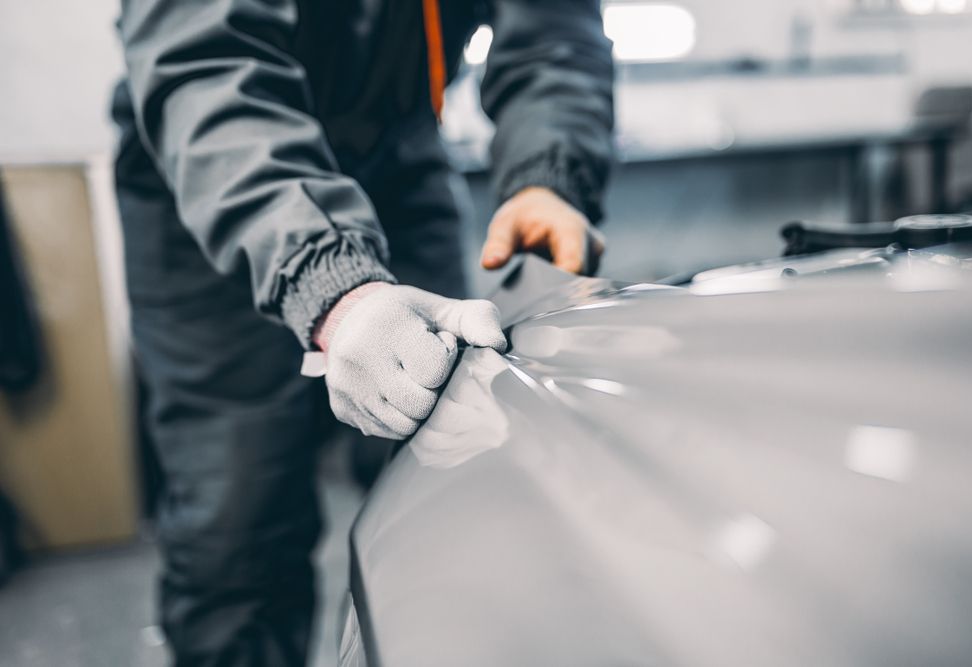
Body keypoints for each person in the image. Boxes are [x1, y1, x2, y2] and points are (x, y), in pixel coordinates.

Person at [112, 0, 614, 663]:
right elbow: (203, 60)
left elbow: (554, 28)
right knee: (239, 518)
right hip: (219, 172)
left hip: (398, 154)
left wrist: (548, 172)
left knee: (451, 461)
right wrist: (331, 281)